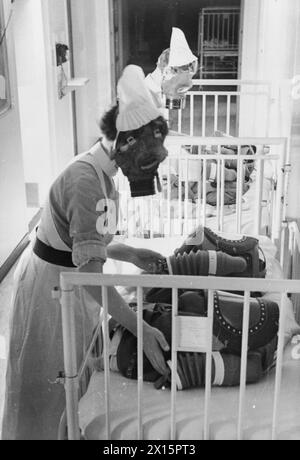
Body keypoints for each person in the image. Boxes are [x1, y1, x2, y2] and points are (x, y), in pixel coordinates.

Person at [1, 65, 170, 440]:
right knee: (48, 384)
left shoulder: (103, 171)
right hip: (51, 288)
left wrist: (130, 253)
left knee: (71, 378)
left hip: (70, 277)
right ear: (124, 143)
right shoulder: (85, 181)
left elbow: (89, 241)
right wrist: (138, 328)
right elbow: (91, 271)